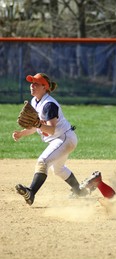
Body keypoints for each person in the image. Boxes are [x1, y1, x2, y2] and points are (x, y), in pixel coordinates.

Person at [12, 73, 87, 205]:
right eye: (31, 83)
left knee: (43, 162)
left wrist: (38, 124)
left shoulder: (49, 105)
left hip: (64, 138)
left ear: (44, 87)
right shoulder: (34, 102)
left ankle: (31, 192)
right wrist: (21, 133)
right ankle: (79, 191)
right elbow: (36, 127)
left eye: (36, 83)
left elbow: (50, 129)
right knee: (58, 169)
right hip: (59, 139)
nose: (32, 86)